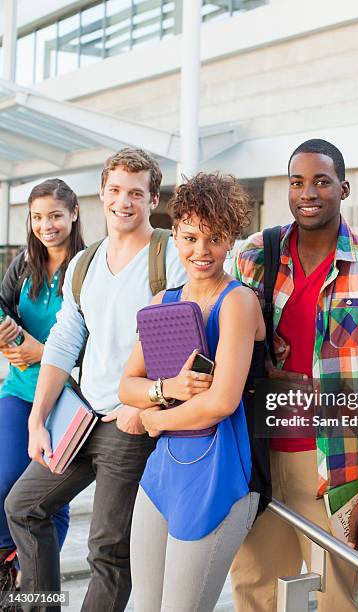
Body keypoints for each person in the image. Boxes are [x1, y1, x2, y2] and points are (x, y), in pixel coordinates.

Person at [5, 148, 186, 612]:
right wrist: (38, 418)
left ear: (152, 198)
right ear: (102, 193)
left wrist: (144, 409)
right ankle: (39, 606)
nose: (123, 202)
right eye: (115, 191)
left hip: (130, 423)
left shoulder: (169, 255)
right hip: (82, 416)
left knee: (108, 551)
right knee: (23, 507)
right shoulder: (84, 263)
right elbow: (65, 341)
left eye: (135, 193)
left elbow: (182, 346)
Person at [232, 139, 358, 612]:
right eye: (297, 182)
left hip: (334, 465)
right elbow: (227, 340)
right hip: (258, 457)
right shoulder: (255, 257)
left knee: (338, 599)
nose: (308, 192)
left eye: (321, 181)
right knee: (255, 588)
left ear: (343, 189)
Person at [118, 171, 266, 612]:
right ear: (175, 233)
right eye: (190, 238)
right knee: (142, 605)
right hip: (164, 470)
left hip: (220, 471)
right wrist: (167, 389)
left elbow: (222, 402)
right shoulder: (164, 302)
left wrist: (154, 417)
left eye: (215, 238)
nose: (201, 251)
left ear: (231, 239)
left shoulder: (238, 301)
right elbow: (128, 385)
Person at [0, 179, 84, 590]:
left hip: (67, 398)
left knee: (50, 497)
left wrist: (42, 349)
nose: (45, 225)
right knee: (5, 478)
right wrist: (6, 336)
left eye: (54, 215)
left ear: (73, 214)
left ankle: (35, 584)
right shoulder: (24, 262)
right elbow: (3, 306)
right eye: (37, 217)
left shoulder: (88, 265)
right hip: (17, 389)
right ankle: (7, 560)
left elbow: (96, 337)